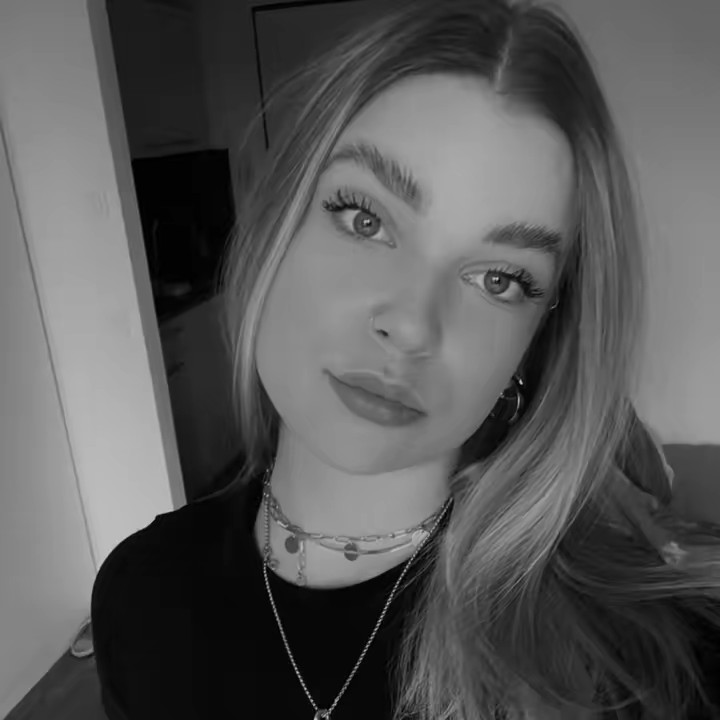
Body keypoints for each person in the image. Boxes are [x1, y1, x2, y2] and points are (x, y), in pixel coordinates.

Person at [91, 0, 720, 718]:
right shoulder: (141, 595)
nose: (413, 324)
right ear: (274, 226)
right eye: (366, 220)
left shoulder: (647, 670)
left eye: (499, 279)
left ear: (539, 336)